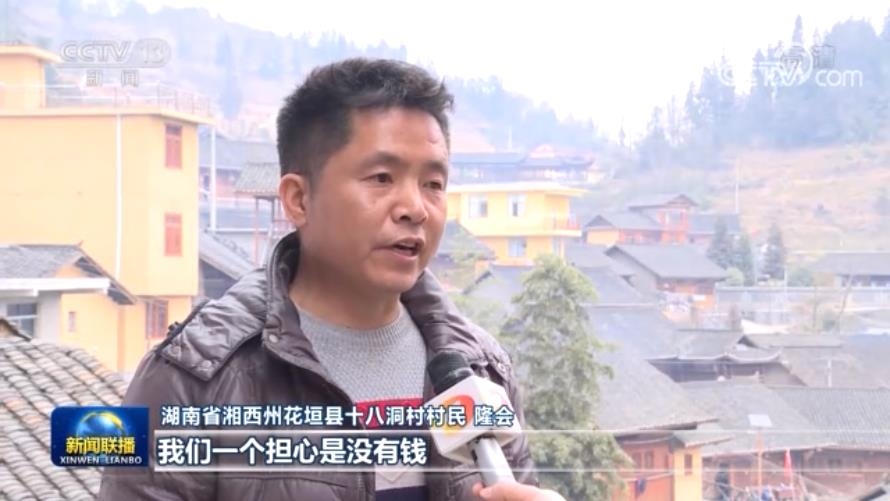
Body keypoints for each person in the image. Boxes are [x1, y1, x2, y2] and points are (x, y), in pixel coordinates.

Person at [99, 58, 564, 501]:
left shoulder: (481, 369)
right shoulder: (192, 378)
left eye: (433, 184)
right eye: (381, 178)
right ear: (298, 199)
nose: (415, 208)